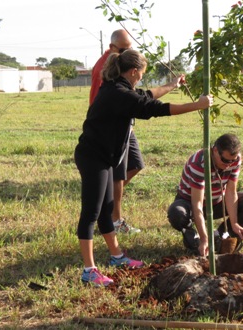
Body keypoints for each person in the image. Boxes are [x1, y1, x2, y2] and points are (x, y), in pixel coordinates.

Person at [75, 49, 214, 286]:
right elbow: (154, 107)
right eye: (141, 74)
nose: (141, 78)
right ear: (133, 72)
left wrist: (172, 84)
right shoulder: (118, 94)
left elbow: (147, 94)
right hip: (93, 158)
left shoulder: (119, 88)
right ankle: (89, 271)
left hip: (104, 157)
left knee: (107, 208)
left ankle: (117, 257)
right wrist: (197, 105)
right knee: (91, 213)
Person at [167, 133, 243, 257]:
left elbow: (230, 192)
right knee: (177, 213)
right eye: (225, 160)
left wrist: (234, 223)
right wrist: (204, 238)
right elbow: (197, 203)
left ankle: (220, 236)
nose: (229, 164)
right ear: (215, 151)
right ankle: (196, 240)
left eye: (232, 161)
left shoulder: (236, 159)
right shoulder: (199, 162)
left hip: (216, 201)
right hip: (190, 203)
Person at [89, 29, 140, 234]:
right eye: (124, 49)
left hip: (124, 123)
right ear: (111, 48)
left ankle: (105, 201)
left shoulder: (119, 64)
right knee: (118, 175)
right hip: (110, 127)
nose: (128, 53)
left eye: (130, 49)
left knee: (135, 164)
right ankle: (115, 220)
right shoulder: (105, 67)